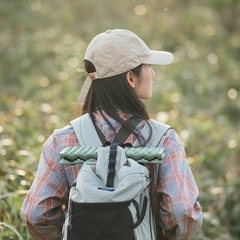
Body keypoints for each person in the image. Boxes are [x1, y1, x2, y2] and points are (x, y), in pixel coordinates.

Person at [21, 29, 202, 239]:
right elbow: (183, 213)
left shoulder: (61, 141)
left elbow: (35, 215)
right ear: (131, 78)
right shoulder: (163, 139)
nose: (152, 73)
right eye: (148, 66)